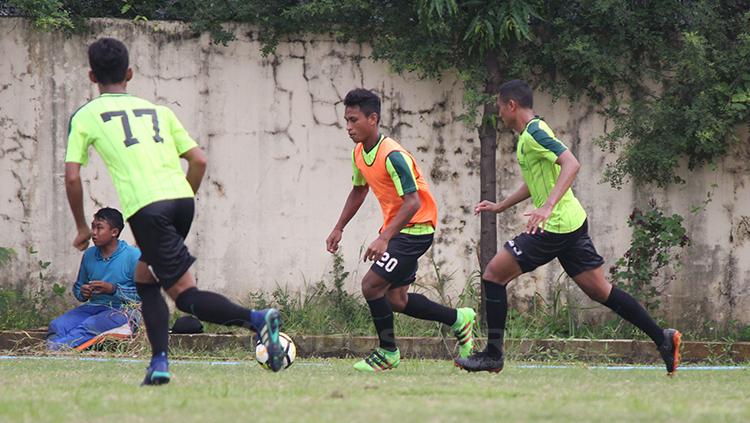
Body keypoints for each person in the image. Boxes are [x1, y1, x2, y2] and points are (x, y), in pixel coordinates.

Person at [64, 37, 284, 385]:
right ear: (130, 73)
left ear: (92, 77)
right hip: (182, 201)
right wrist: (184, 197)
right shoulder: (159, 111)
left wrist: (80, 227)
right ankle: (159, 363)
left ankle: (257, 319)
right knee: (145, 277)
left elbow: (73, 176)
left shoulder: (86, 115)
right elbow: (198, 159)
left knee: (184, 296)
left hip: (148, 210)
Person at [454, 80, 681, 375]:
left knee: (494, 274)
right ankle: (662, 338)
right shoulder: (527, 136)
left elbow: (571, 164)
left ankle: (493, 355)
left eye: (499, 107)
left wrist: (547, 207)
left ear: (511, 105)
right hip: (571, 223)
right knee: (600, 290)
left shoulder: (535, 132)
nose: (499, 113)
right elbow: (535, 182)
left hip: (556, 225)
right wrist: (500, 206)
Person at [326, 88, 477, 372]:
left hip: (416, 228)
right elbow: (359, 190)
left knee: (371, 286)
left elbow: (412, 201)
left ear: (373, 119)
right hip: (399, 230)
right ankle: (460, 319)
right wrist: (339, 227)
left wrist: (384, 238)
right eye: (346, 120)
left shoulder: (393, 155)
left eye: (354, 120)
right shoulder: (359, 153)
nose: (348, 127)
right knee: (396, 299)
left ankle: (387, 352)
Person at [47, 207, 140, 350]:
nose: (94, 233)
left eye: (99, 228)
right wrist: (83, 292)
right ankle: (57, 348)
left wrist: (113, 290)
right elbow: (79, 288)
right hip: (94, 307)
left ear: (114, 232)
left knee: (91, 324)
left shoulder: (133, 256)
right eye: (93, 227)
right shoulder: (89, 255)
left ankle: (57, 349)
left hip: (123, 312)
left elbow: (145, 295)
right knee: (57, 325)